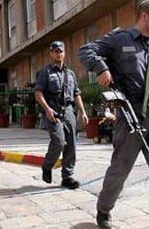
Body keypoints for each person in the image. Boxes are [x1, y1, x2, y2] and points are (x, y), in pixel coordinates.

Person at [78, 0, 149, 229]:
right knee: (120, 170)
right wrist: (102, 68)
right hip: (130, 114)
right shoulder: (119, 39)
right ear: (144, 16)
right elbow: (85, 51)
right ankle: (104, 209)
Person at [35, 40, 89, 189]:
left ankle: (67, 176)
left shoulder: (70, 73)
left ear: (64, 53)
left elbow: (76, 94)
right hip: (53, 112)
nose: (59, 54)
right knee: (59, 141)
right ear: (51, 53)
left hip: (69, 111)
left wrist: (83, 112)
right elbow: (38, 94)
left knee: (71, 144)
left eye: (61, 51)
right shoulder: (45, 72)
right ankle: (47, 165)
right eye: (56, 51)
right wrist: (46, 109)